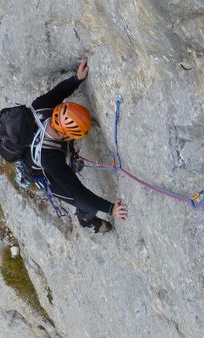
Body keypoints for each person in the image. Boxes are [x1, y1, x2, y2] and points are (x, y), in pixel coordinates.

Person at [27, 58, 128, 232]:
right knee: (79, 201)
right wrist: (112, 209)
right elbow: (78, 193)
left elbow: (57, 93)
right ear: (64, 135)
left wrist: (76, 79)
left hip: (41, 146)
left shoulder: (42, 108)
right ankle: (88, 221)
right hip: (41, 173)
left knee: (72, 178)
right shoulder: (50, 160)